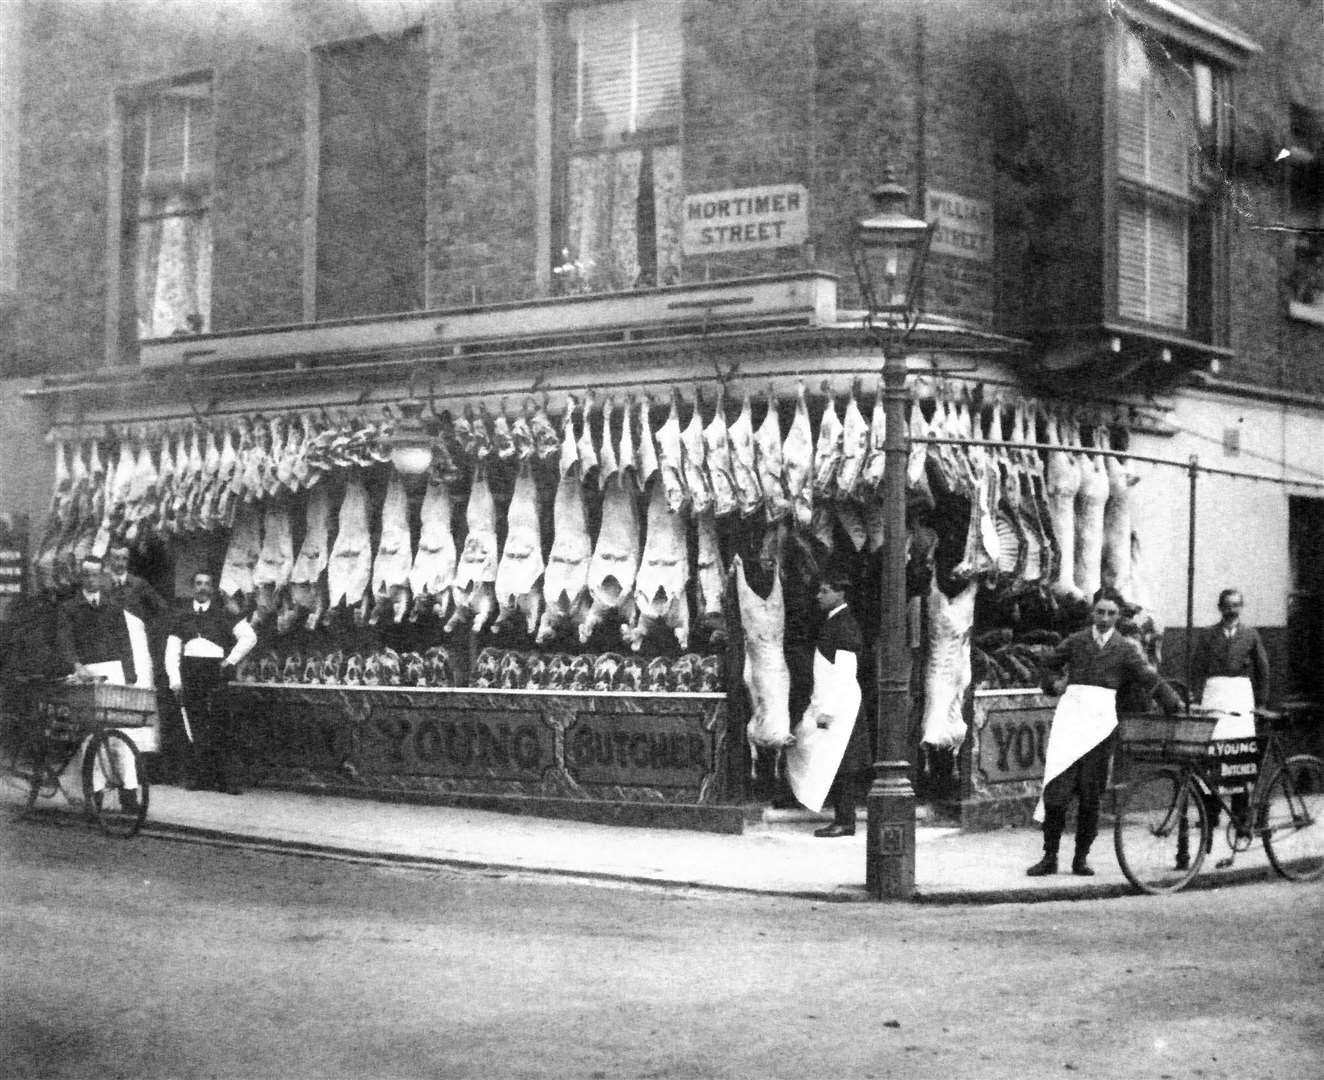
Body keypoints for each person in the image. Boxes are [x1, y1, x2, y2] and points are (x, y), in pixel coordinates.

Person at [1028, 586, 1182, 877]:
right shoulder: (1076, 641)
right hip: (1071, 720)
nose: (1105, 618)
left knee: (1090, 795)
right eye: (1100, 611)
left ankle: (1081, 858)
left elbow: (1147, 677)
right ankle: (1049, 856)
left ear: (1118, 616)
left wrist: (1171, 701)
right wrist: (1053, 685)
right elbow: (1048, 663)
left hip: (1100, 726)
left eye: (1111, 613)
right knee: (1057, 792)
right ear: (1092, 612)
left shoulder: (1125, 648)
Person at [55, 554, 155, 809]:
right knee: (91, 738)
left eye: (96, 574)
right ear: (81, 577)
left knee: (120, 734)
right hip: (87, 674)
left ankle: (129, 793)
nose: (91, 579)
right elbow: (65, 642)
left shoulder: (112, 606)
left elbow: (124, 641)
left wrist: (130, 675)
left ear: (102, 576)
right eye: (86, 574)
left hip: (114, 673)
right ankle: (96, 793)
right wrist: (76, 666)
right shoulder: (69, 608)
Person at [784, 569, 864, 833]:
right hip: (828, 702)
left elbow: (844, 673)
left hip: (839, 706)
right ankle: (804, 797)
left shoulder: (844, 624)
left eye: (825, 591)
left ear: (840, 593)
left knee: (841, 761)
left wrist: (828, 712)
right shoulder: (834, 621)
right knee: (807, 746)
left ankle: (845, 821)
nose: (819, 596)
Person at [164, 571, 257, 794]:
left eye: (207, 584)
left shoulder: (224, 614)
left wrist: (231, 660)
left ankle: (226, 781)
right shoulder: (182, 616)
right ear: (192, 588)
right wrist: (175, 680)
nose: (202, 588)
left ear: (213, 588)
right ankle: (199, 778)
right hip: (190, 675)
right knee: (194, 726)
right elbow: (172, 651)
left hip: (215, 675)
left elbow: (250, 637)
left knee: (221, 726)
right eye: (198, 584)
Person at [1191, 588, 1270, 844]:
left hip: (1240, 698)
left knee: (1241, 756)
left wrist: (1261, 704)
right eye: (1227, 605)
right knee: (1213, 755)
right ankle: (1210, 814)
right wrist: (1195, 698)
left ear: (1241, 607)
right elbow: (1197, 668)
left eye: (1236, 605)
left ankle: (1241, 819)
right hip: (1214, 696)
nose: (1231, 610)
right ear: (1219, 607)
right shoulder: (1208, 636)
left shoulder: (1250, 635)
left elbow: (1263, 669)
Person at [104, 543, 168, 624]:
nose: (121, 563)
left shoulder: (138, 583)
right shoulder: (101, 584)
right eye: (116, 558)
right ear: (109, 560)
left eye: (124, 559)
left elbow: (161, 605)